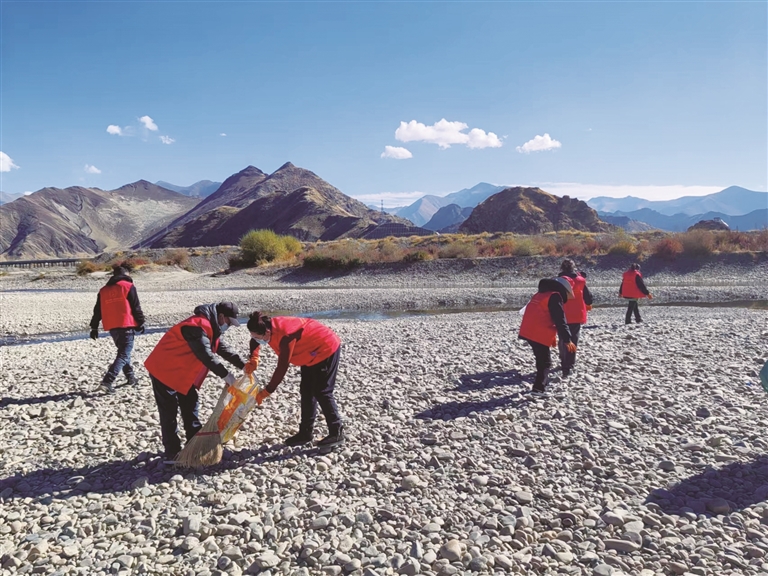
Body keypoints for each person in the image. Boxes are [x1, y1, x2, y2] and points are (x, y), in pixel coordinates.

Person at [143, 302, 247, 460]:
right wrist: (228, 376)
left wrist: (244, 366)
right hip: (163, 369)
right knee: (169, 411)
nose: (229, 326)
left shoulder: (211, 328)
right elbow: (206, 355)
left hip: (182, 372)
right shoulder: (196, 327)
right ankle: (172, 452)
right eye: (229, 322)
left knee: (190, 405)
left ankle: (194, 443)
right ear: (221, 316)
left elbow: (223, 350)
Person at [247, 311, 344, 447]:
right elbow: (254, 340)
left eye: (259, 337)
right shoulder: (265, 327)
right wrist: (253, 357)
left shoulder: (286, 337)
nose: (257, 340)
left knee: (322, 391)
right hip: (308, 351)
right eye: (255, 337)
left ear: (267, 332)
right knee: (306, 391)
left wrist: (268, 390)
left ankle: (336, 432)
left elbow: (282, 367)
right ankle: (305, 433)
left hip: (325, 346)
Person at [89, 263, 145, 394]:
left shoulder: (103, 290)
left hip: (112, 326)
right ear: (126, 275)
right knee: (124, 354)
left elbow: (97, 310)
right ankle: (107, 381)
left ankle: (130, 377)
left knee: (123, 353)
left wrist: (94, 327)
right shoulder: (128, 286)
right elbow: (136, 306)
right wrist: (140, 322)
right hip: (126, 324)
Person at [518, 278, 576, 394]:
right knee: (545, 362)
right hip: (538, 333)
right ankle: (539, 389)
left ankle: (542, 384)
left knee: (540, 359)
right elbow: (560, 320)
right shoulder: (554, 296)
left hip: (527, 331)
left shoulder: (538, 295)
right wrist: (567, 339)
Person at [557, 259, 593, 377]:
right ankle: (569, 364)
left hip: (561, 313)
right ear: (573, 268)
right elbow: (588, 296)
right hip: (577, 313)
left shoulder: (558, 281)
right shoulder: (580, 280)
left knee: (562, 337)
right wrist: (589, 303)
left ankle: (563, 360)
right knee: (573, 339)